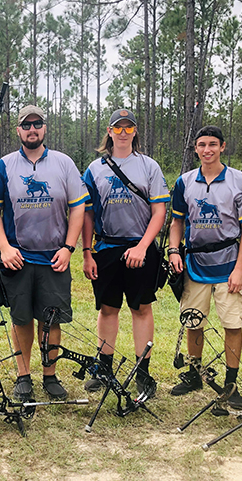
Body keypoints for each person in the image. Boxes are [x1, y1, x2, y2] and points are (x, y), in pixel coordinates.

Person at [0, 105, 89, 401]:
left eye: (37, 124)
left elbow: (78, 206)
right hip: (17, 258)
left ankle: (50, 375)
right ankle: (23, 375)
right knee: (21, 320)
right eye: (26, 125)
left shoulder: (63, 163)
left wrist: (69, 248)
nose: (32, 129)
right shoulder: (4, 167)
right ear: (18, 131)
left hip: (54, 256)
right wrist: (4, 247)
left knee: (51, 319)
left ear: (45, 128)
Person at [81, 108, 170, 399]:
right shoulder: (95, 169)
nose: (122, 132)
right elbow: (88, 214)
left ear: (135, 132)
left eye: (128, 127)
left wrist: (143, 246)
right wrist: (87, 252)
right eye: (117, 128)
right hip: (107, 247)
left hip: (140, 248)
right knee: (108, 308)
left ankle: (142, 372)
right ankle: (103, 367)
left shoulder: (148, 166)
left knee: (141, 308)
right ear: (109, 132)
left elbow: (160, 211)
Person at [167, 126, 242, 408]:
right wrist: (173, 251)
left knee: (232, 324)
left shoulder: (240, 181)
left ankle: (230, 384)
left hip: (228, 263)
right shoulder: (184, 182)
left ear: (222, 147)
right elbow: (177, 221)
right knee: (193, 321)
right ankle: (194, 373)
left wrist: (240, 268)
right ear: (195, 148)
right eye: (202, 145)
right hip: (195, 264)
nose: (207, 150)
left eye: (213, 145)